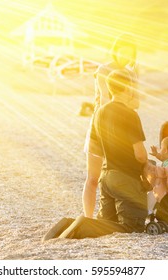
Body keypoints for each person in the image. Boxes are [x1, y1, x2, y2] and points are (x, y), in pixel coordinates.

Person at [42, 69, 148, 240]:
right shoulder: (130, 114)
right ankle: (81, 225)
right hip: (126, 177)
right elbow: (140, 155)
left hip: (106, 177)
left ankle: (69, 225)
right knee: (133, 227)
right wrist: (147, 165)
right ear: (127, 88)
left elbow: (95, 148)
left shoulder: (99, 113)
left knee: (106, 223)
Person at [83, 33, 139, 218]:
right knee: (93, 177)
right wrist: (124, 103)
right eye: (122, 53)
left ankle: (116, 216)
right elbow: (107, 99)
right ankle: (88, 218)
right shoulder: (104, 70)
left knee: (121, 174)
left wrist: (123, 104)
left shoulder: (132, 73)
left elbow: (136, 102)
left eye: (129, 54)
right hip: (101, 126)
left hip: (123, 129)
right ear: (115, 52)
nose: (126, 57)